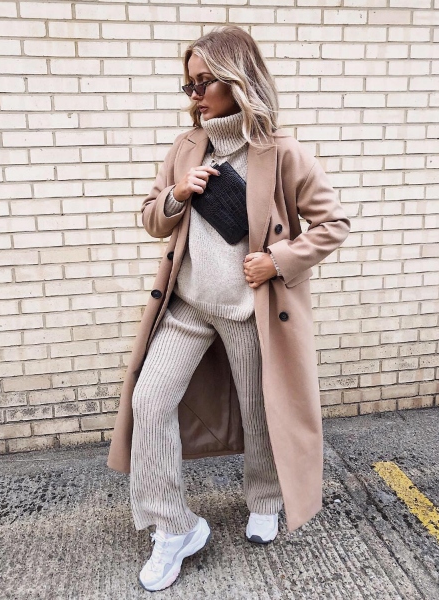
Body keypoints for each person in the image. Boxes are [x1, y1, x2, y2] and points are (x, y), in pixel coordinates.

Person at [106, 25, 350, 592]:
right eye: (189, 84)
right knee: (148, 401)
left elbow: (333, 223)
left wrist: (278, 260)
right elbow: (151, 217)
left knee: (261, 410)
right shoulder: (186, 147)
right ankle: (173, 527)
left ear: (237, 80)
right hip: (186, 307)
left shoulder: (281, 152)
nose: (194, 95)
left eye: (204, 82)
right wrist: (177, 195)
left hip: (249, 310)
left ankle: (265, 499)